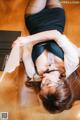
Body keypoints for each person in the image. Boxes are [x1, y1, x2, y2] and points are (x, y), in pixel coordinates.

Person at [12, 0, 80, 112]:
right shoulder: (71, 63)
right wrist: (27, 40)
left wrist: (18, 50)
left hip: (34, 21)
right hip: (56, 17)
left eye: (42, 87)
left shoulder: (32, 72)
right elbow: (56, 35)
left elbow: (27, 48)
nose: (42, 82)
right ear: (61, 82)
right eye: (47, 84)